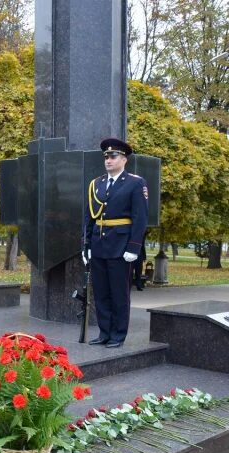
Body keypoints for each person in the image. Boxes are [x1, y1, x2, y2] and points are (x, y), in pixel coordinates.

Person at [83, 138, 148, 349]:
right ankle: (104, 333)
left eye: (113, 156)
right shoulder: (97, 184)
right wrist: (86, 245)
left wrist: (134, 247)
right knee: (101, 293)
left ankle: (118, 335)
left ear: (124, 159)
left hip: (121, 246)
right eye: (106, 157)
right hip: (99, 245)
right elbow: (89, 217)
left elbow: (140, 218)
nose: (108, 160)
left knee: (119, 294)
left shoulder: (135, 183)